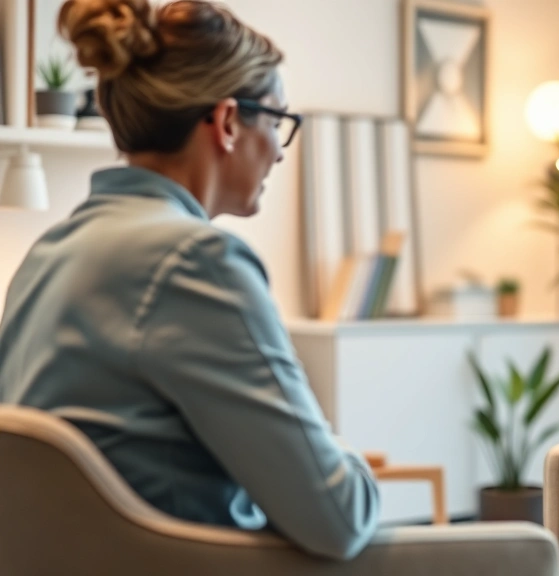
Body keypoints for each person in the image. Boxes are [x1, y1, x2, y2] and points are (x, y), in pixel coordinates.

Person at [0, 0, 378, 561]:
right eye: (277, 122)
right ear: (227, 123)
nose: (278, 151)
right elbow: (339, 517)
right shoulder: (199, 260)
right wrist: (336, 449)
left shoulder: (51, 251)